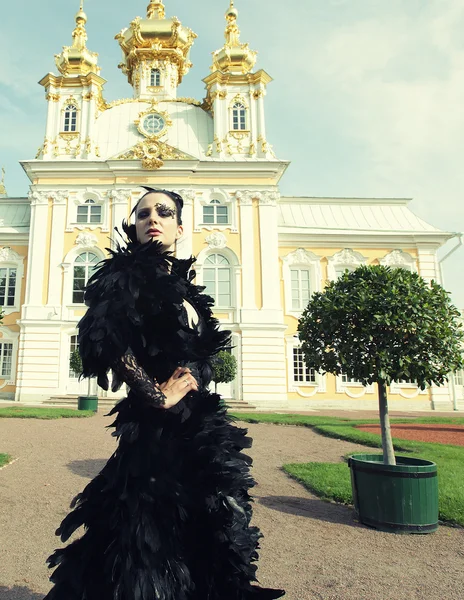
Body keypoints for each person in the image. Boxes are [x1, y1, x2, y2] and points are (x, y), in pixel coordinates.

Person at [44, 187, 284, 600]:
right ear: (133, 227)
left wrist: (192, 372)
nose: (152, 218)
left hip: (198, 425)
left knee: (207, 520)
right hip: (155, 428)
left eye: (163, 212)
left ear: (179, 226)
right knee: (148, 529)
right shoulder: (124, 276)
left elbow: (201, 350)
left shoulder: (185, 287)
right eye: (142, 214)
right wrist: (156, 395)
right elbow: (102, 340)